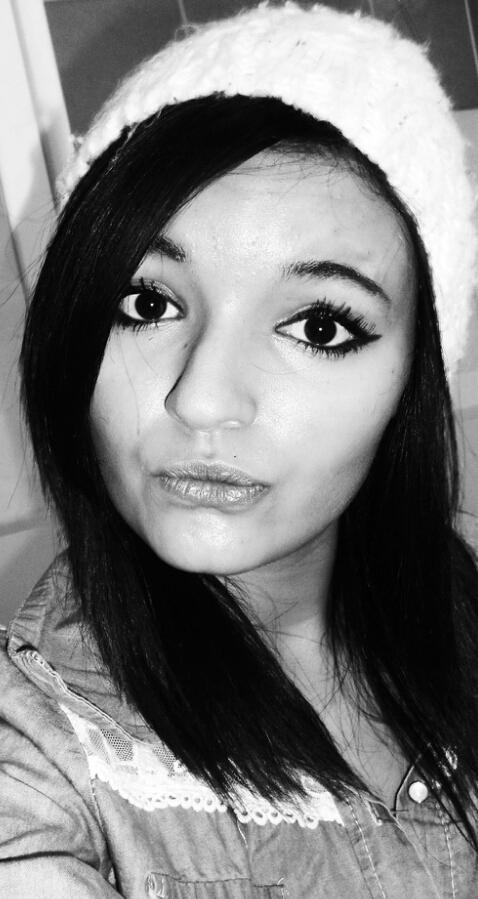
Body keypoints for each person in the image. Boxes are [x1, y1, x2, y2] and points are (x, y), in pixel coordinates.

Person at [1, 2, 478, 896]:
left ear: (414, 376)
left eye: (320, 325)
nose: (203, 398)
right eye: (149, 304)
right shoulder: (35, 746)